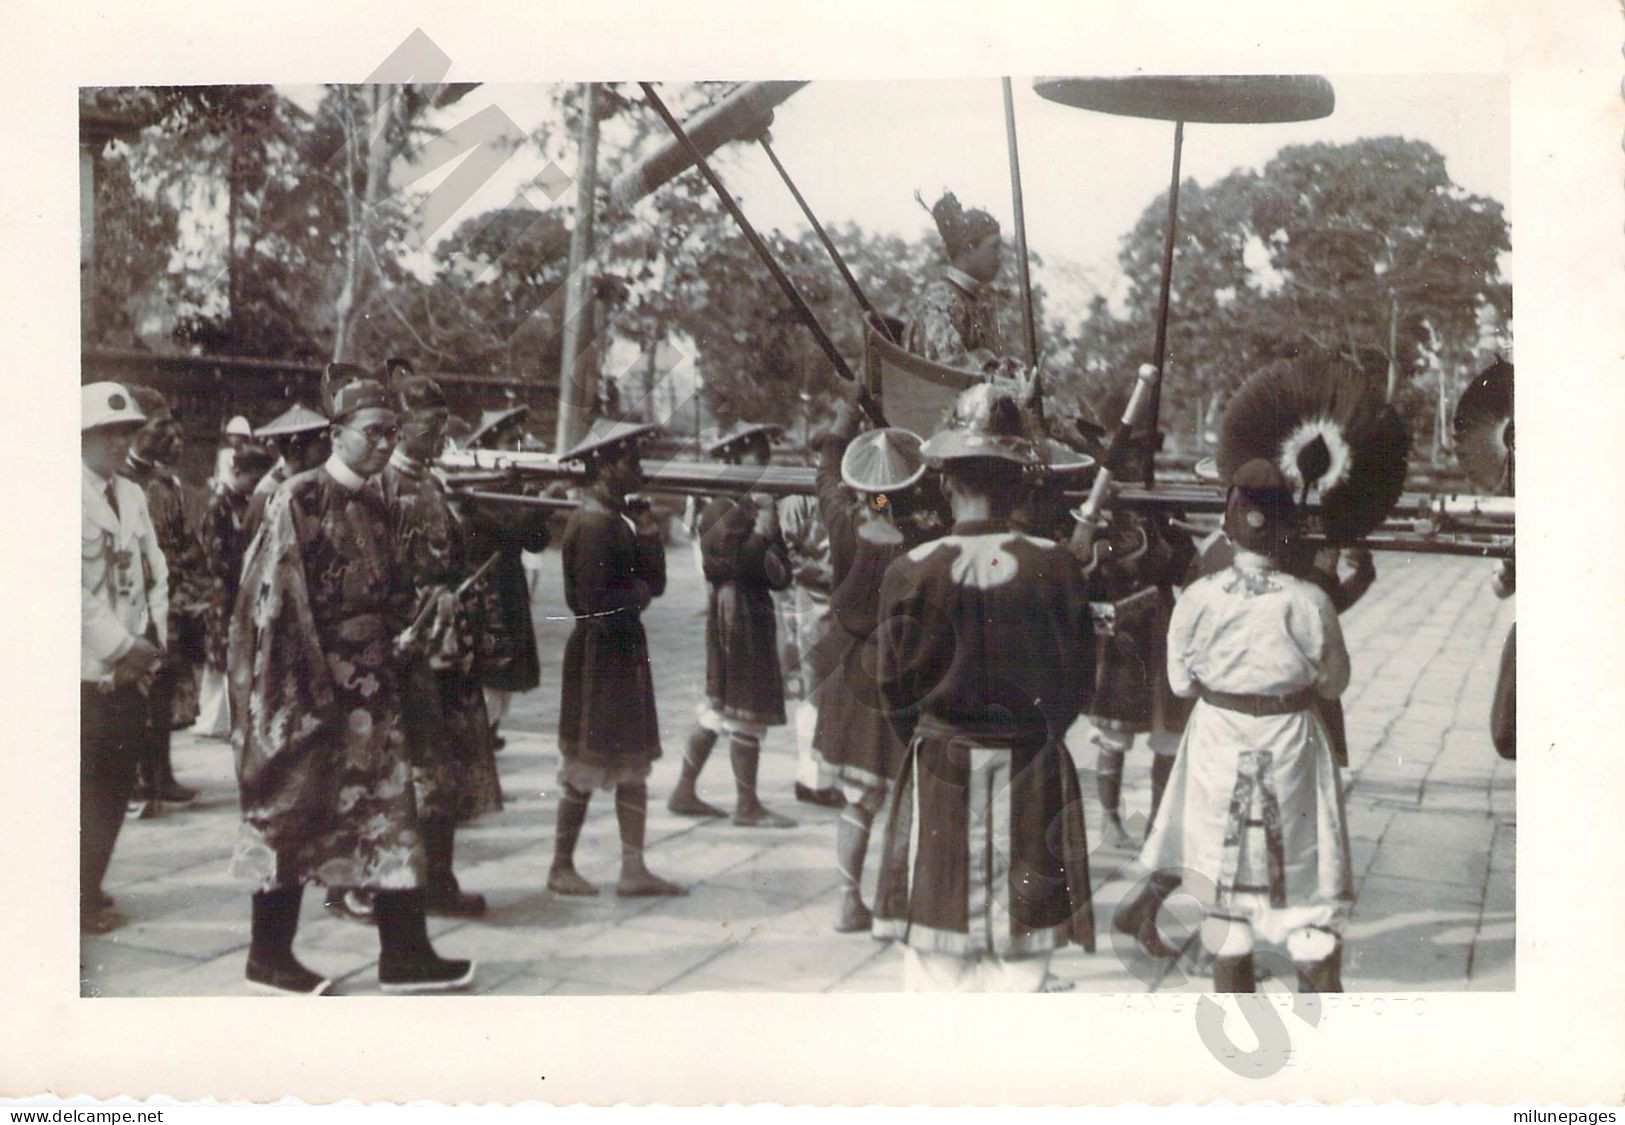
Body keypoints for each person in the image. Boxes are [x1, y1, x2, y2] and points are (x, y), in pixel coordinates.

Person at [227, 364, 475, 994]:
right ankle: (268, 954)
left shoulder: (382, 501)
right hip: (309, 689)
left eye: (393, 431)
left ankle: (405, 953)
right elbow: (273, 602)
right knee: (292, 810)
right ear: (337, 432)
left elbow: (394, 588)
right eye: (373, 431)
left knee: (390, 811)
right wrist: (304, 690)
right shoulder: (299, 498)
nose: (386, 443)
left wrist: (416, 624)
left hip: (376, 688)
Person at [870, 384, 1097, 991]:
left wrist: (935, 734)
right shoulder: (1058, 568)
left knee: (937, 972)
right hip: (1030, 769)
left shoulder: (910, 571)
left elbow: (892, 690)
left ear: (945, 481)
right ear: (1021, 483)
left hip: (941, 766)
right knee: (1022, 970)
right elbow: (1079, 682)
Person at [1136, 460, 1354, 994]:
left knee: (1222, 888)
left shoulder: (1198, 597)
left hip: (1218, 742)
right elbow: (1333, 685)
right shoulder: (1310, 600)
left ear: (1229, 521)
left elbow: (1181, 684)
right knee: (1302, 887)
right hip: (1290, 742)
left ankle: (1236, 1016)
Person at [377, 366, 503, 917]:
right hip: (411, 652)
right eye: (429, 426)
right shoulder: (382, 486)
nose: (439, 438)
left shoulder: (433, 483)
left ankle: (441, 879)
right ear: (400, 426)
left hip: (449, 647)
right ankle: (401, 884)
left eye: (442, 426)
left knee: (450, 767)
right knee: (416, 771)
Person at [812, 405, 940, 933]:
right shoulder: (923, 543)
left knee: (859, 798)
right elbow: (889, 499)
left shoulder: (846, 526)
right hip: (899, 676)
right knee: (906, 792)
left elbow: (828, 479)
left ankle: (848, 897)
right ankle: (896, 899)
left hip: (850, 675)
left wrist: (845, 414)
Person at [550, 421, 685, 897]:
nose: (639, 469)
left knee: (631, 763)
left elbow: (657, 584)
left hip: (622, 652)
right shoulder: (591, 524)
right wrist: (640, 594)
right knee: (587, 762)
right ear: (605, 466)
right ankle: (561, 865)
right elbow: (593, 603)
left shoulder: (615, 520)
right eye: (630, 462)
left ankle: (633, 867)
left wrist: (648, 533)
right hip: (599, 656)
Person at [667, 424, 798, 829]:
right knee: (740, 702)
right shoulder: (721, 507)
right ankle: (747, 804)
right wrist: (763, 530)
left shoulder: (749, 506)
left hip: (750, 607)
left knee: (721, 706)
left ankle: (685, 790)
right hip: (735, 608)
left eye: (765, 458)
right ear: (735, 458)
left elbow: (779, 572)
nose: (764, 465)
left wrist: (768, 534)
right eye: (756, 458)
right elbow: (731, 565)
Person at [81, 384, 167, 934]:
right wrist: (120, 647)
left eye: (127, 432)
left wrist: (151, 639)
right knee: (81, 783)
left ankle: (87, 883)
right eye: (107, 433)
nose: (120, 442)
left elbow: (154, 567)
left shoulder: (131, 494)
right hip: (84, 667)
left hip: (131, 665)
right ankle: (74, 893)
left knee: (114, 781)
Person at [122, 387, 206, 814]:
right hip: (133, 602)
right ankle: (139, 778)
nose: (171, 435)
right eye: (159, 427)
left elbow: (181, 541)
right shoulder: (118, 481)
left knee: (165, 689)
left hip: (171, 600)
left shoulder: (163, 483)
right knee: (138, 691)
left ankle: (162, 774)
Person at [462, 399, 547, 748]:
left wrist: (538, 500)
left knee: (504, 679)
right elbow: (508, 528)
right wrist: (538, 503)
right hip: (486, 589)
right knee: (490, 678)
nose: (519, 448)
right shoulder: (475, 485)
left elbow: (536, 542)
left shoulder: (509, 485)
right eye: (510, 441)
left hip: (508, 583)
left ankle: (488, 743)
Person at [775, 451, 845, 811]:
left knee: (834, 692)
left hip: (840, 600)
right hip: (816, 599)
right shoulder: (799, 495)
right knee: (816, 691)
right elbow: (791, 554)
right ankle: (812, 777)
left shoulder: (853, 489)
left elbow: (883, 504)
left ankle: (826, 773)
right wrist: (828, 574)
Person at [192, 442, 275, 739]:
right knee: (221, 651)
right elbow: (215, 555)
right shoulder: (219, 505)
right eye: (251, 478)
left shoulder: (244, 503)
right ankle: (215, 719)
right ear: (236, 471)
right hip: (225, 588)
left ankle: (230, 717)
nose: (254, 485)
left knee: (236, 649)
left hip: (240, 586)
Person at [902, 191, 1011, 373]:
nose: (1000, 257)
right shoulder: (939, 302)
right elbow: (951, 375)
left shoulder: (976, 300)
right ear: (969, 248)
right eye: (994, 247)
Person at [243, 402, 330, 545]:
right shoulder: (265, 496)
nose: (325, 453)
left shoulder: (316, 489)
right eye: (319, 447)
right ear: (296, 450)